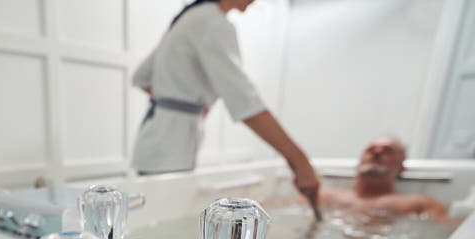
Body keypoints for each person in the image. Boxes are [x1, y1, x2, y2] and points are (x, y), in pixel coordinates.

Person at [131, 0, 320, 209]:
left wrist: (183, 100)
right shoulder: (212, 22)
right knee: (163, 216)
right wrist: (300, 161)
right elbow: (246, 103)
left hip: (154, 142)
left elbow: (141, 77)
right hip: (170, 147)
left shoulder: (192, 16)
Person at [320, 137, 448, 220]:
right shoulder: (324, 196)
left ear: (402, 168)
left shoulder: (419, 204)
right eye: (370, 150)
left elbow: (446, 236)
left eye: (387, 151)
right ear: (358, 162)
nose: (377, 153)